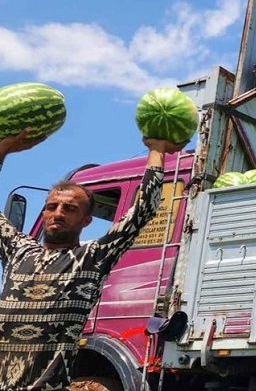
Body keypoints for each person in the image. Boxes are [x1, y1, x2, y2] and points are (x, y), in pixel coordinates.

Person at [0, 128, 186, 390]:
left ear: (87, 221)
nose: (58, 213)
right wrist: (3, 150)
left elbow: (142, 212)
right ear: (43, 213)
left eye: (70, 209)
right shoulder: (19, 251)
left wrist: (156, 151)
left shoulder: (92, 258)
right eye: (52, 207)